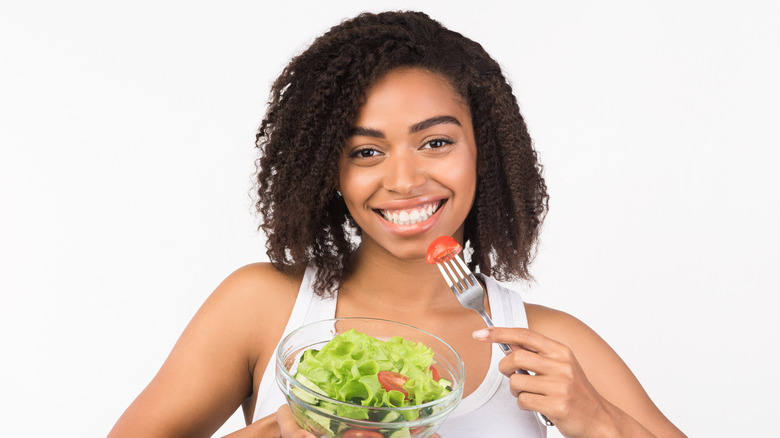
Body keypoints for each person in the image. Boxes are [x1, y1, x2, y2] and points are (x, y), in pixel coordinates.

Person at [108, 11, 685, 438]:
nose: (404, 180)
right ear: (327, 171)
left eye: (436, 142)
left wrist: (600, 421)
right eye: (366, 152)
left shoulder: (556, 344)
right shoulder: (258, 306)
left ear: (483, 150)